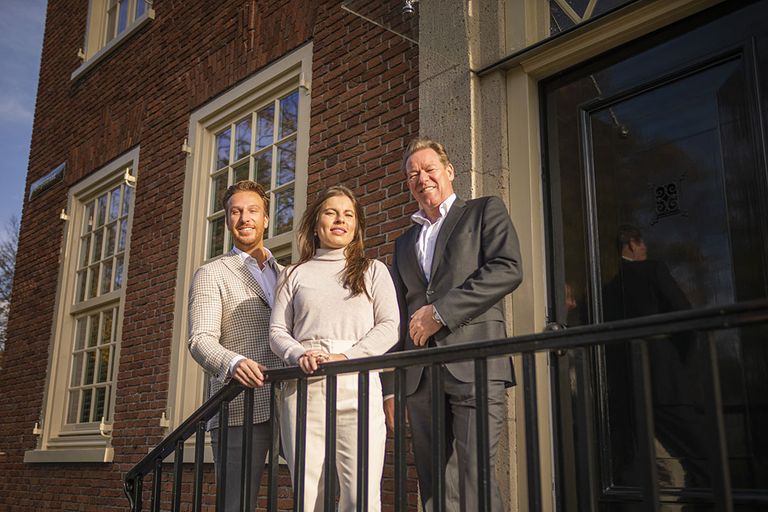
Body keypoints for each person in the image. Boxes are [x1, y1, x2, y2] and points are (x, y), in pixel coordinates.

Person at [383, 137, 523, 511]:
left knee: (473, 475)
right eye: (413, 174)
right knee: (435, 485)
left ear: (449, 172)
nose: (422, 178)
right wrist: (391, 387)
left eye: (429, 169)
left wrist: (440, 312)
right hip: (420, 378)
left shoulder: (483, 211)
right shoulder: (403, 242)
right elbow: (397, 315)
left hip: (475, 363)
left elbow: (508, 268)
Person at [269, 185, 399, 512]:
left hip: (358, 385)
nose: (340, 219)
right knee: (310, 495)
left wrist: (346, 358)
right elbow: (277, 331)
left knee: (362, 496)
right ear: (315, 224)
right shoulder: (292, 274)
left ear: (356, 227)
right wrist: (299, 354)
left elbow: (389, 327)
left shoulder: (373, 271)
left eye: (348, 214)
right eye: (331, 212)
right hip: (305, 387)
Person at [187, 180, 284, 511]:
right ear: (228, 220)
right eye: (236, 211)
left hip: (290, 402)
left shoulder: (286, 274)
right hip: (239, 407)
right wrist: (232, 363)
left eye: (253, 210)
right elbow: (200, 339)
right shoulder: (211, 273)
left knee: (313, 491)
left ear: (266, 219)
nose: (245, 218)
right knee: (236, 505)